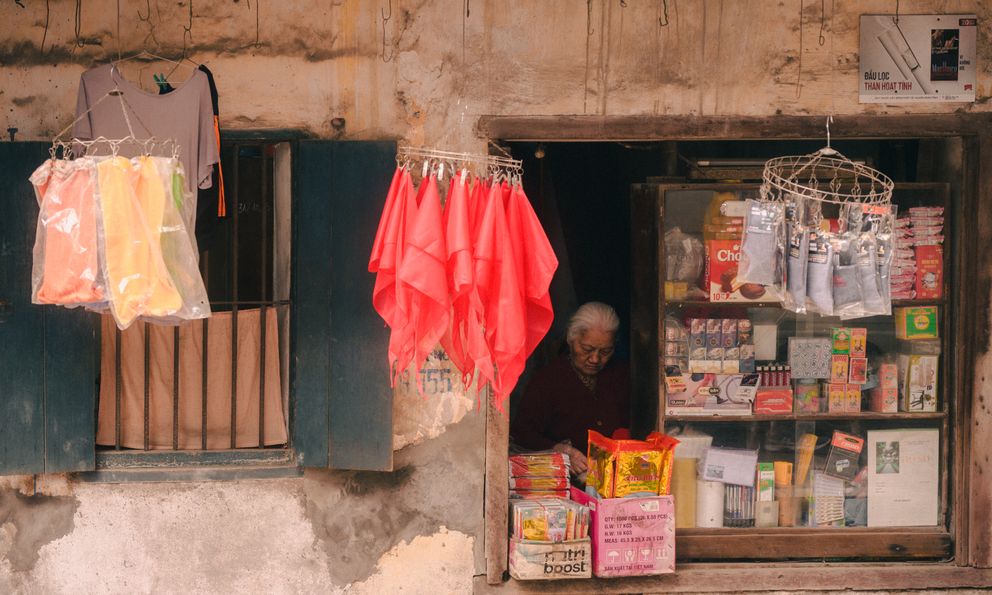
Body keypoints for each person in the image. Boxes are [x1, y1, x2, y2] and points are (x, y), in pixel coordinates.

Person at [510, 302, 631, 476]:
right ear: (571, 339)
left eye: (605, 351)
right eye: (587, 349)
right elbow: (522, 433)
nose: (595, 359)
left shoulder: (621, 375)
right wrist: (562, 450)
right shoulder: (549, 379)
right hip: (563, 481)